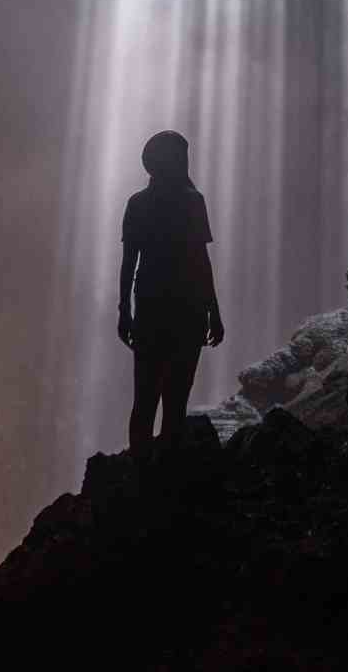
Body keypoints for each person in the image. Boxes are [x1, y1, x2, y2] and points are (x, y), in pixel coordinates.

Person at [116, 129, 225, 458]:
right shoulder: (193, 202)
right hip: (187, 310)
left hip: (150, 308)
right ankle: (164, 478)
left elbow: (129, 262)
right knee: (175, 397)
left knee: (145, 397)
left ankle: (141, 474)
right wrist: (213, 312)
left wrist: (124, 310)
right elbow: (201, 262)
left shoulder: (138, 204)